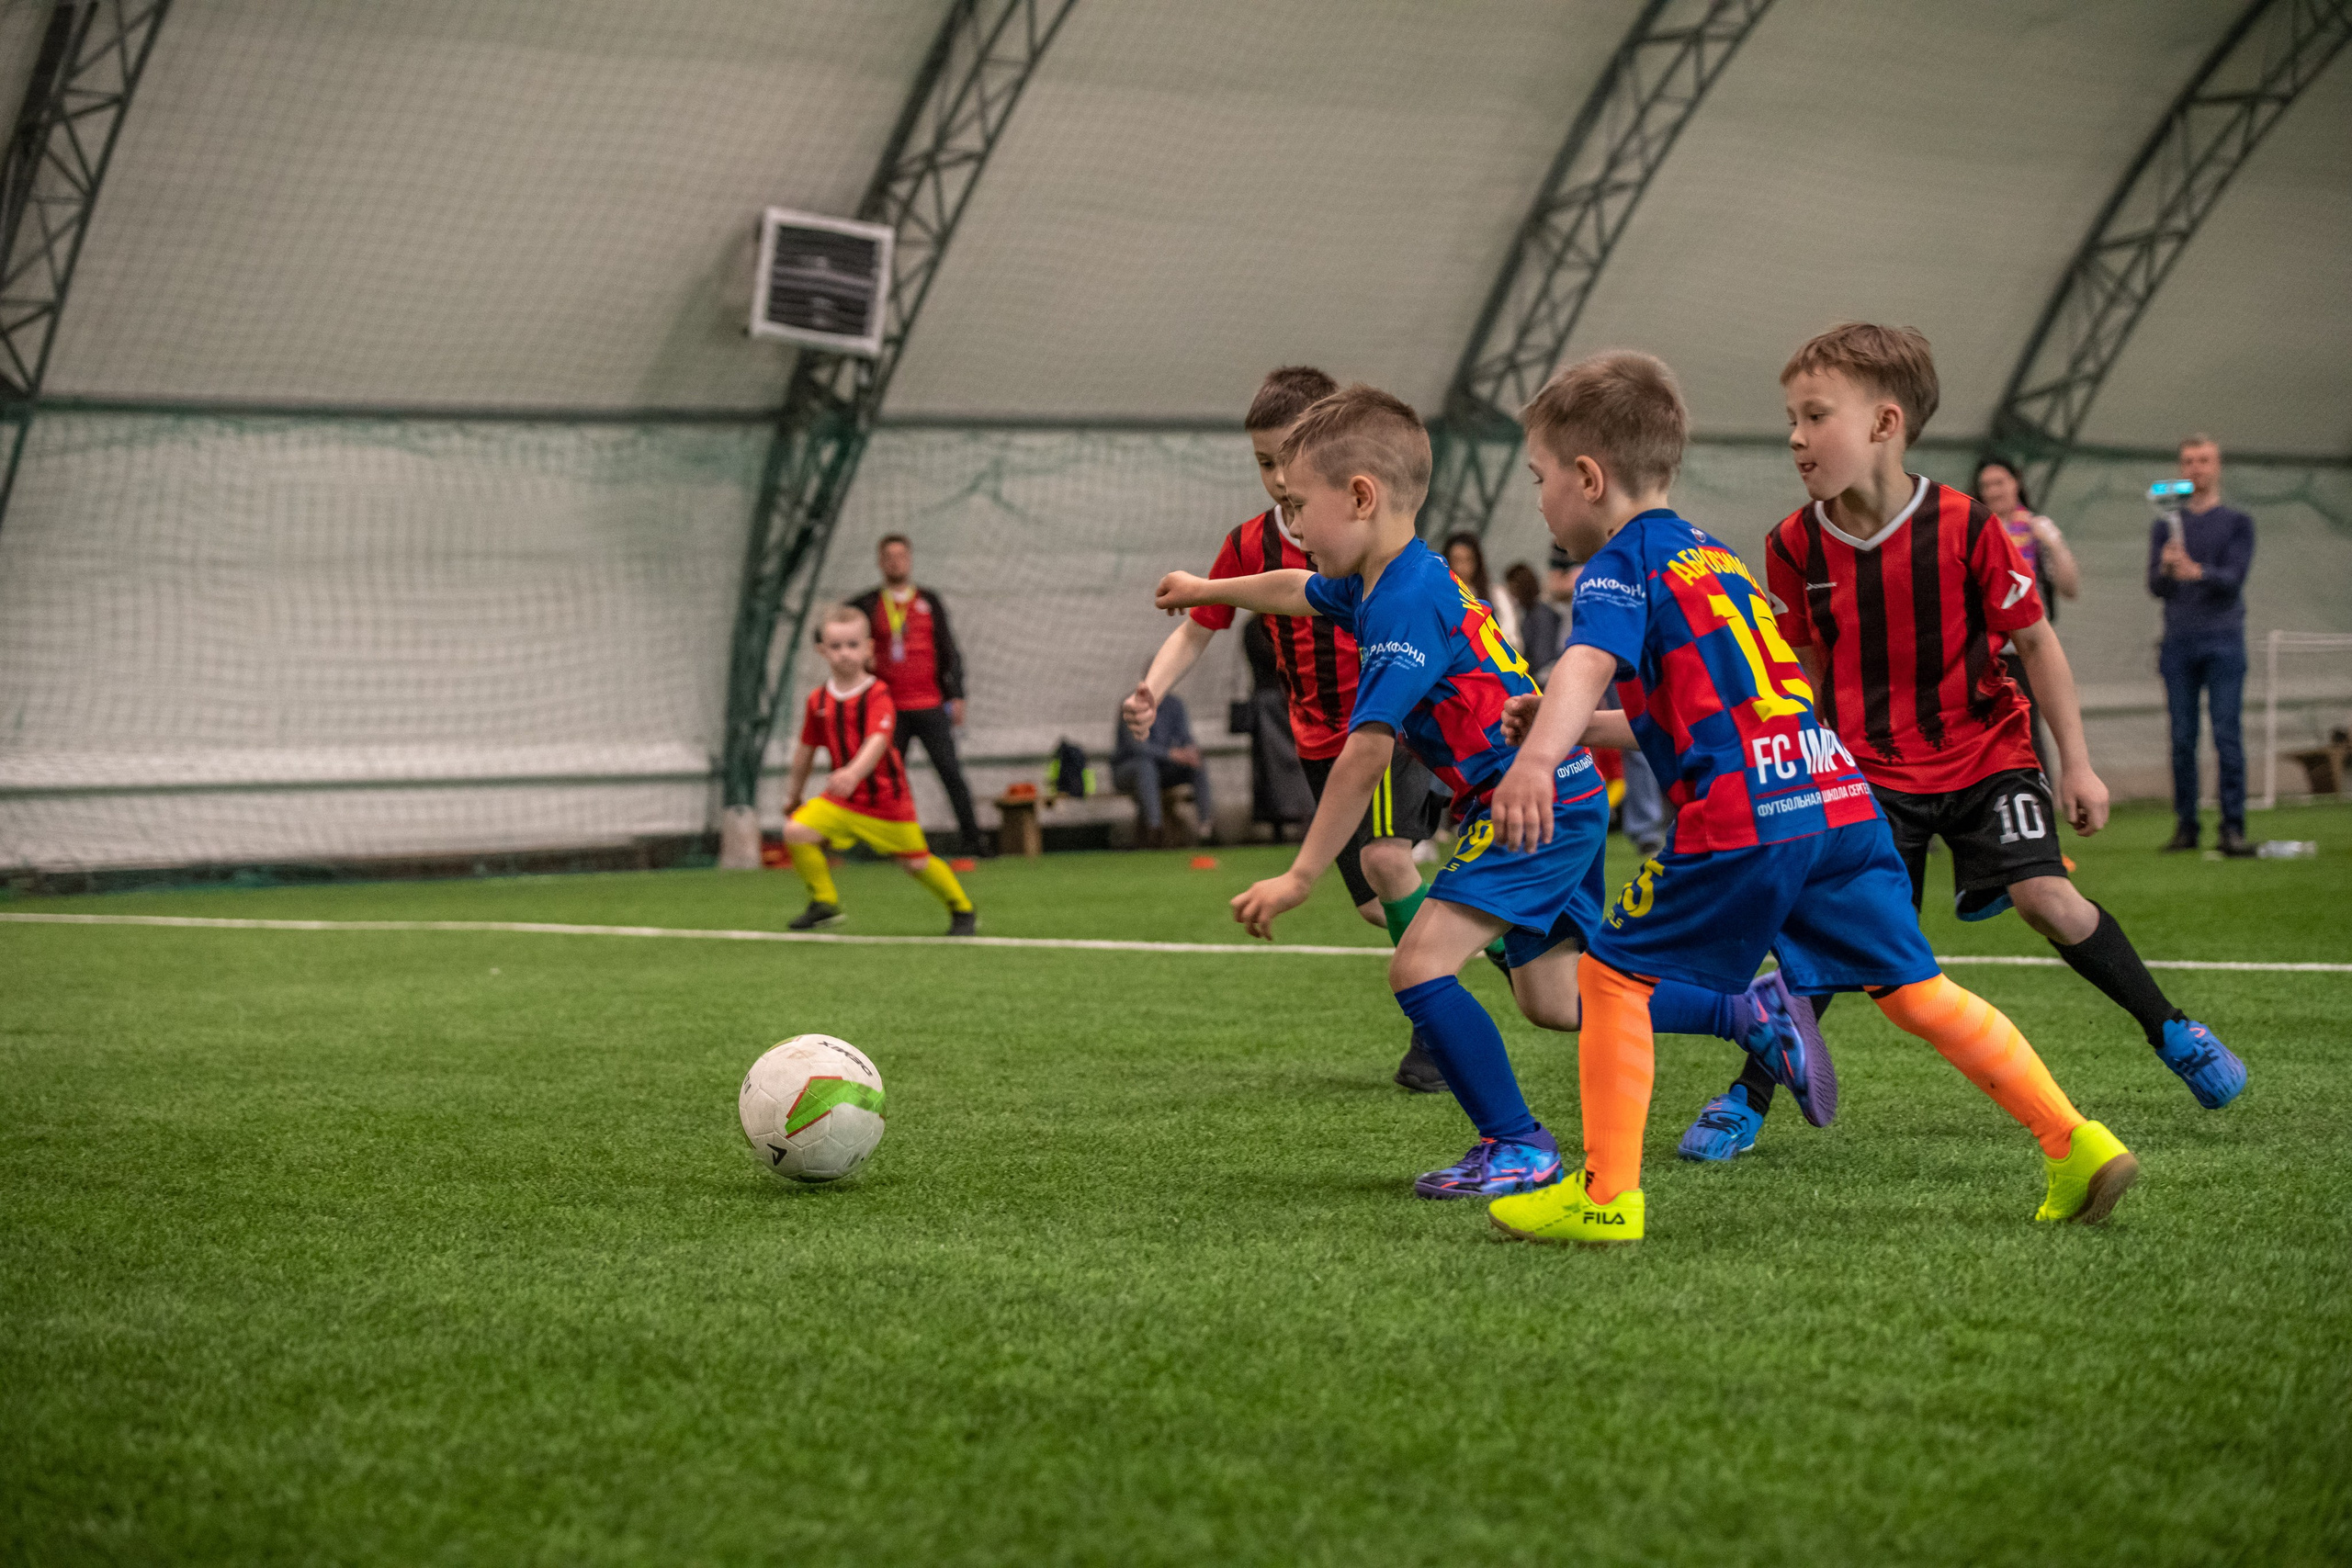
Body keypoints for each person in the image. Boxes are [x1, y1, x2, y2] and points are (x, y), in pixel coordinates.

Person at [1485, 349, 2136, 1247]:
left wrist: (1536, 760)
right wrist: (1575, 730)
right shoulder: (1710, 560)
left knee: (1605, 976)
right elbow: (1712, 716)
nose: (1540, 497)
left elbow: (1583, 660)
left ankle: (1603, 1198)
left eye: (1540, 477)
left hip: (1746, 819)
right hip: (1835, 797)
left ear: (1587, 478)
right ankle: (2074, 1142)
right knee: (1914, 991)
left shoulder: (1613, 569)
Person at [1154, 385, 1814, 1202]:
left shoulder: (1400, 603)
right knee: (1557, 997)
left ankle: (1518, 1145)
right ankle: (1748, 1011)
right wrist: (1206, 589)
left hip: (1523, 803)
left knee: (1417, 967)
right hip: (1561, 798)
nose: (1289, 523)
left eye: (1298, 505)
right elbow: (1296, 589)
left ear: (1360, 497)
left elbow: (1365, 754)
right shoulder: (1392, 576)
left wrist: (1299, 874)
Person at [1671, 324, 2244, 1163]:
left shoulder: (1968, 526)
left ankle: (2173, 1031)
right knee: (1836, 930)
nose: (1795, 436)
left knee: (2045, 899)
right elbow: (1799, 667)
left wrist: (2076, 761)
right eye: (1790, 417)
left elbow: (2038, 642)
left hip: (1986, 751)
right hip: (1867, 768)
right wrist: (1787, 761)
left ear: (1884, 424)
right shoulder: (1791, 546)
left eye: (1815, 415)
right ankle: (1747, 1097)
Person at [1125, 365, 1451, 1093]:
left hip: (1393, 729)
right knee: (1375, 903)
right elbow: (1202, 625)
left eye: (1287, 460)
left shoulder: (1372, 536)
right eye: (1264, 462)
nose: (1276, 478)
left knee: (1388, 862)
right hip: (1317, 742)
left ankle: (1437, 1029)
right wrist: (1153, 686)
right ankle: (1495, 931)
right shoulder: (1249, 545)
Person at [781, 605, 977, 937]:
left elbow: (878, 739)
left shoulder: (878, 693)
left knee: (915, 863)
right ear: (822, 651)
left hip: (887, 802)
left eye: (853, 645)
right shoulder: (817, 700)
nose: (845, 654)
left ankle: (962, 908)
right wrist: (794, 794)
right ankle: (825, 903)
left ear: (869, 648)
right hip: (842, 801)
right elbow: (805, 751)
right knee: (796, 831)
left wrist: (853, 773)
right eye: (837, 646)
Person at [2149, 434, 2257, 856]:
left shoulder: (2236, 523)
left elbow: (2233, 580)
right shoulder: (2166, 525)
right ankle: (2186, 826)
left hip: (2224, 641)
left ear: (2217, 466)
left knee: (2227, 734)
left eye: (2204, 460)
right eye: (2189, 461)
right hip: (2178, 643)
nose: (2196, 468)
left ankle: (2233, 827)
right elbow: (2155, 586)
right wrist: (2165, 567)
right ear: (2181, 469)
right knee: (2181, 738)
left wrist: (2197, 572)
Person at [851, 536, 984, 857]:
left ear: (909, 560)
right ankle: (880, 844)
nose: (895, 562)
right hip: (889, 709)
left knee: (951, 772)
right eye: (889, 557)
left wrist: (958, 695)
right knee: (885, 777)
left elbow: (949, 649)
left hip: (930, 705)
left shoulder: (928, 602)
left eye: (901, 556)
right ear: (881, 562)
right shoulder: (867, 605)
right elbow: (839, 636)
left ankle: (974, 841)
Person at [1975, 457, 2078, 784]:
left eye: (1999, 482)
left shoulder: (2037, 529)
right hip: (1985, 650)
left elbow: (2070, 587)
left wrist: (2055, 544)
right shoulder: (1975, 531)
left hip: (2026, 648)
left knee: (2029, 727)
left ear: (2016, 483)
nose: (1993, 491)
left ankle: (2040, 797)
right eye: (1986, 485)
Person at [1111, 676, 1214, 844]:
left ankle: (1206, 828)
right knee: (1146, 766)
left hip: (1164, 769)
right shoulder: (1131, 705)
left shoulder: (1175, 705)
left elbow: (1185, 737)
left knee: (1197, 762)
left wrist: (1189, 751)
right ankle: (1155, 830)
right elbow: (1137, 747)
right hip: (1129, 769)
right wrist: (1170, 754)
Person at [1441, 530, 1521, 653]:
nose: (1461, 567)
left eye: (1467, 560)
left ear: (1477, 562)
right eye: (1456, 560)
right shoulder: (1438, 596)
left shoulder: (1495, 595)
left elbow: (1511, 637)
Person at [1506, 562, 1558, 682]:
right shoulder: (1529, 613)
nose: (1510, 593)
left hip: (1544, 676)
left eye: (1511, 588)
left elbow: (1542, 656)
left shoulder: (1541, 614)